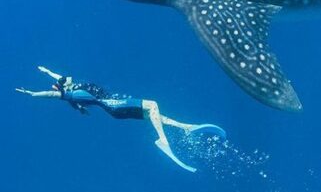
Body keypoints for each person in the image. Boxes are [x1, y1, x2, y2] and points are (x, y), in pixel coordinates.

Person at [16, 66, 226, 173]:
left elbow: (57, 76)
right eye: (61, 82)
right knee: (152, 104)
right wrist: (31, 93)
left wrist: (45, 70)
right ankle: (163, 140)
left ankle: (185, 128)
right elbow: (49, 94)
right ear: (63, 88)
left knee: (154, 115)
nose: (64, 78)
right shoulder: (67, 94)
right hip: (111, 105)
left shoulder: (70, 87)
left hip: (114, 105)